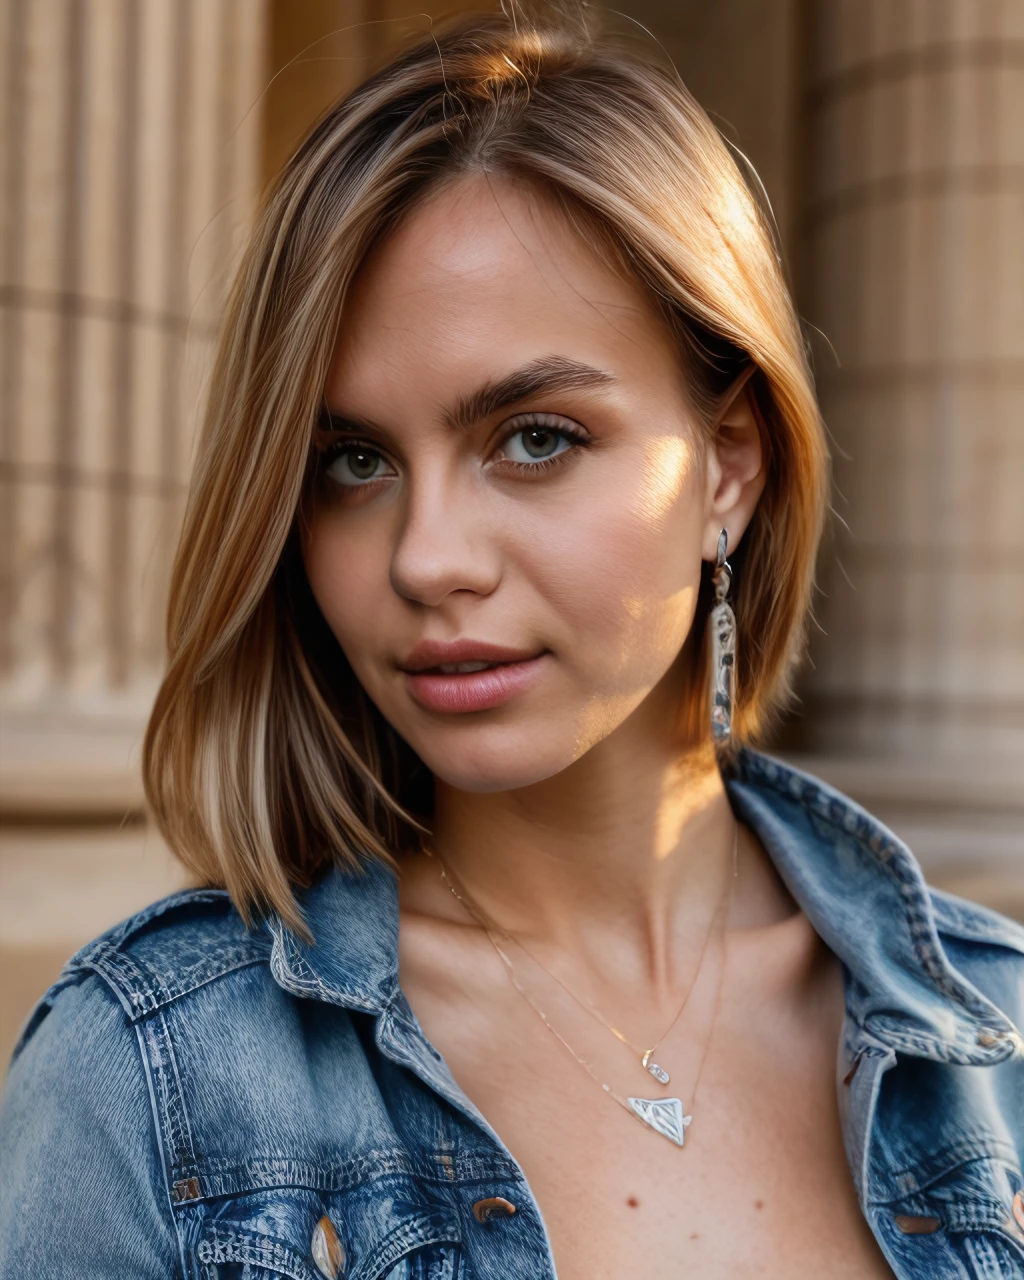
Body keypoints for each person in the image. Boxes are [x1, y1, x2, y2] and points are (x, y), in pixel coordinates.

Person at [2, 7, 1022, 1279]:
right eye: (352, 463)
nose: (427, 557)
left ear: (728, 468)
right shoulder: (147, 1085)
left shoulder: (999, 1040)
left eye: (534, 436)